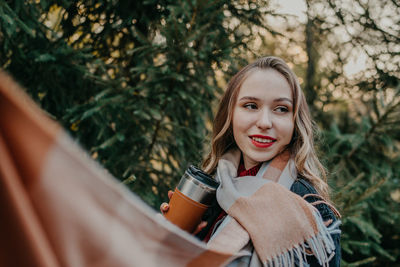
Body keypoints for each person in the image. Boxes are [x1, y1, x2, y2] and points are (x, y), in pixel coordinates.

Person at [161, 56, 341, 266]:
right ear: (231, 114)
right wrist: (184, 239)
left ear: (295, 122)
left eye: (281, 109)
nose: (264, 122)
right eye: (250, 105)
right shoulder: (213, 192)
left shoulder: (307, 207)